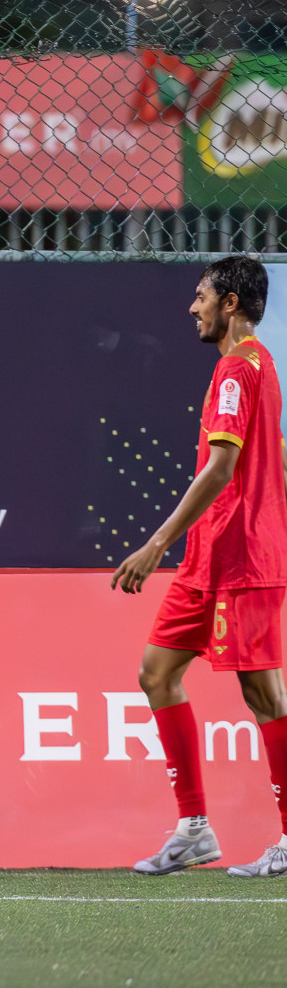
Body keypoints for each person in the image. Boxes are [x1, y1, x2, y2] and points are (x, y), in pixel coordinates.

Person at [113, 256, 287, 878]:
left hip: (241, 558)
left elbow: (220, 469)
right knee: (156, 674)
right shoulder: (253, 367)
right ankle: (194, 830)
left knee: (264, 693)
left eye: (202, 296)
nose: (193, 307)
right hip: (209, 559)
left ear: (231, 303)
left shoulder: (239, 369)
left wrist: (156, 543)